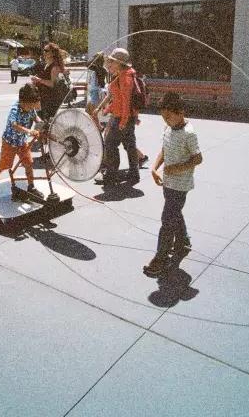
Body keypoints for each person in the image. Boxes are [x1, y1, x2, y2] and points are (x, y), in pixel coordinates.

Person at [144, 92, 202, 277]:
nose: (166, 120)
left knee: (167, 219)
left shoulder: (189, 133)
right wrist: (154, 168)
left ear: (181, 112)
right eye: (163, 117)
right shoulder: (168, 129)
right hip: (168, 183)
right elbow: (164, 149)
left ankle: (160, 257)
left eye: (169, 117)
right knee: (174, 212)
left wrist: (177, 168)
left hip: (181, 184)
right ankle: (183, 240)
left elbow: (198, 158)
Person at [0, 83, 44, 202]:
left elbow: (36, 118)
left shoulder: (30, 108)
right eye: (30, 106)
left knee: (28, 163)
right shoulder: (15, 109)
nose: (32, 108)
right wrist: (29, 131)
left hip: (21, 142)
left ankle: (31, 186)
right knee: (4, 165)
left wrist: (40, 123)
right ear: (23, 101)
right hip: (10, 143)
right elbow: (14, 125)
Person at [90, 48, 140, 186]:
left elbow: (126, 101)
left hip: (121, 118)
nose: (109, 64)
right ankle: (134, 174)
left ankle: (112, 174)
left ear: (119, 63)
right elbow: (117, 99)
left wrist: (123, 121)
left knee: (110, 145)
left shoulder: (125, 78)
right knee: (130, 146)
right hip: (124, 117)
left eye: (112, 61)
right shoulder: (124, 75)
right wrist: (106, 109)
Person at [31, 42, 69, 122]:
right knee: (41, 121)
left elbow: (52, 84)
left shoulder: (54, 67)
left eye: (46, 50)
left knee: (45, 122)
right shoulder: (48, 64)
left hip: (50, 100)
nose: (44, 52)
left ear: (52, 53)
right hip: (44, 97)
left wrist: (38, 80)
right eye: (44, 50)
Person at [85, 52, 106, 129]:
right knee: (88, 111)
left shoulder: (99, 69)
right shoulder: (101, 69)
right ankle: (94, 126)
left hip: (96, 92)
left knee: (92, 112)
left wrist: (94, 58)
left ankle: (99, 127)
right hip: (94, 92)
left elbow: (87, 64)